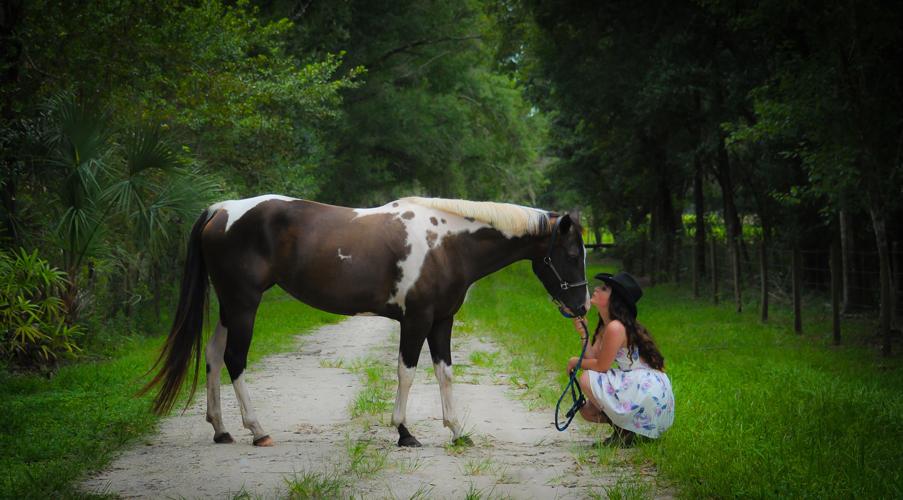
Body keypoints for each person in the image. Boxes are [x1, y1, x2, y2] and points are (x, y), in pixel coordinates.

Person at [567, 272, 674, 446]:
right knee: (587, 411)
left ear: (614, 299)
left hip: (646, 389)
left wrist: (574, 362)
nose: (596, 289)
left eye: (604, 288)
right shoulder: (607, 326)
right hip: (641, 388)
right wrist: (584, 334)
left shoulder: (616, 327)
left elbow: (600, 366)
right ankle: (628, 432)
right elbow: (593, 360)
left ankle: (624, 432)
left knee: (587, 378)